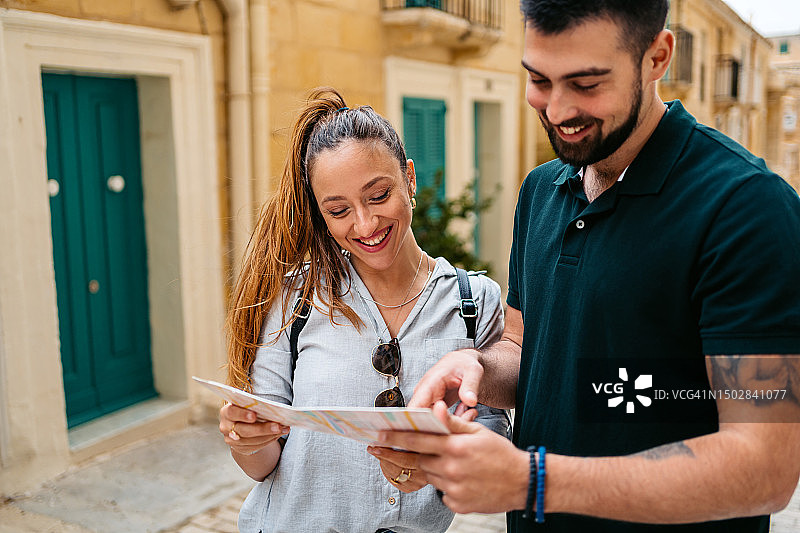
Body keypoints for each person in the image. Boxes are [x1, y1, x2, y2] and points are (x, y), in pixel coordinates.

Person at [376, 1, 800, 532]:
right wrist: (478, 368)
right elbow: (523, 345)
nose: (556, 110)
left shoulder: (747, 209)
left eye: (586, 84)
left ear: (656, 57)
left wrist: (532, 482)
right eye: (539, 80)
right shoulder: (540, 191)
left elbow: (766, 467)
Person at [218, 87, 508, 532]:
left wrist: (434, 466)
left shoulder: (476, 302)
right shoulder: (295, 296)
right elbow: (262, 465)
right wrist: (244, 439)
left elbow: (492, 449)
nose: (366, 225)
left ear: (409, 178)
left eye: (378, 195)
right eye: (338, 210)